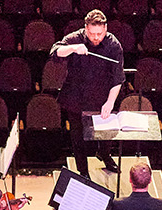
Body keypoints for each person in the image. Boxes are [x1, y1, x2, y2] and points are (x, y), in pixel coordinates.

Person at [50, 10, 126, 173]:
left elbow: (118, 78)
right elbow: (54, 52)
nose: (96, 37)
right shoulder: (75, 38)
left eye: (99, 33)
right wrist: (73, 48)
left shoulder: (113, 44)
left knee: (107, 134)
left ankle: (104, 155)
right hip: (76, 97)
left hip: (103, 96)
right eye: (92, 34)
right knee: (78, 138)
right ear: (86, 29)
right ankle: (83, 171)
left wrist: (110, 101)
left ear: (105, 29)